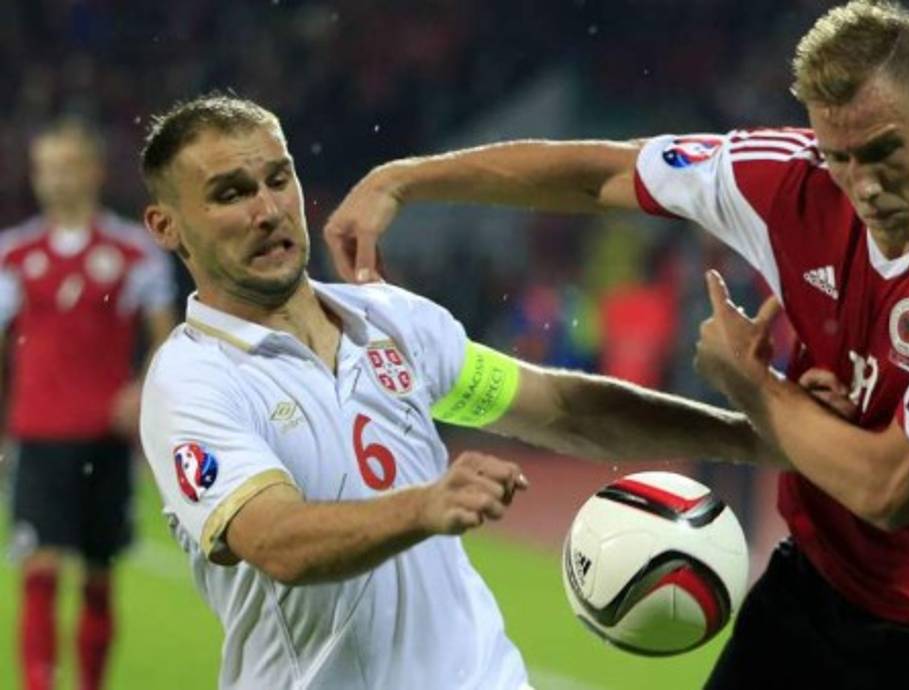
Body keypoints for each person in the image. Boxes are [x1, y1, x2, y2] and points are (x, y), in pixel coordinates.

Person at [323, 1, 909, 688]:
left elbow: (888, 491)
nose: (863, 187)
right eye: (839, 156)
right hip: (821, 601)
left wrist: (752, 385)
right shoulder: (782, 180)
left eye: (883, 151)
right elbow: (600, 174)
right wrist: (405, 179)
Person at [136, 94, 780, 690]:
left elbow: (563, 409)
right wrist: (423, 507)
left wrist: (758, 438)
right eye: (230, 194)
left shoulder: (393, 323)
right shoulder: (192, 379)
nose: (268, 210)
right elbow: (276, 540)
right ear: (166, 226)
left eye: (279, 179)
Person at [1, 117, 177, 690]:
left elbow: (165, 338)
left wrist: (142, 388)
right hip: (38, 435)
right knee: (40, 566)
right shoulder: (13, 253)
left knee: (99, 576)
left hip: (105, 435)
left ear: (95, 171)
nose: (55, 179)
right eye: (46, 168)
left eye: (67, 166)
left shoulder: (133, 252)